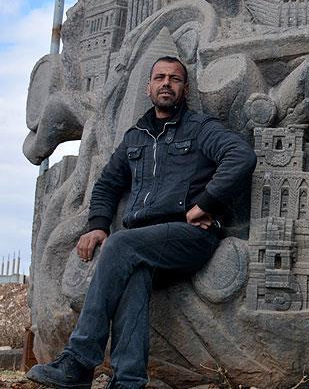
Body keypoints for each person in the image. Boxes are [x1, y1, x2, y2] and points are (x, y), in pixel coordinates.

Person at [27, 56, 258, 389]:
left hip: (189, 236)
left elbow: (241, 155)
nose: (166, 83)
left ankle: (78, 362)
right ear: (149, 87)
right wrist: (97, 225)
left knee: (121, 244)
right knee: (134, 273)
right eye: (160, 78)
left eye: (175, 79)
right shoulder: (134, 138)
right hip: (142, 244)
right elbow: (107, 184)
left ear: (185, 89)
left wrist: (206, 203)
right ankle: (129, 380)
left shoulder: (200, 128)